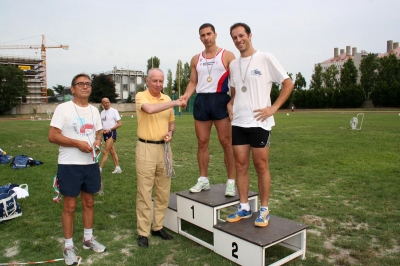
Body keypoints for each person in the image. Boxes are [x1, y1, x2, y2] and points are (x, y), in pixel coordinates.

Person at [226, 23, 294, 227]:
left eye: (241, 36)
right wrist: (230, 102)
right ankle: (244, 207)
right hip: (238, 122)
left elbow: (288, 83)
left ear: (249, 35)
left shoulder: (265, 58)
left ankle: (264, 209)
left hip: (260, 122)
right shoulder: (233, 65)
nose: (238, 40)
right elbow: (236, 90)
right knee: (240, 165)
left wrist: (273, 108)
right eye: (234, 37)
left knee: (261, 165)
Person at [48, 73, 106, 265]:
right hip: (69, 164)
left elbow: (98, 132)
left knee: (89, 203)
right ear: (72, 89)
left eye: (88, 84)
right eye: (80, 84)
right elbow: (53, 136)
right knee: (70, 206)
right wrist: (76, 143)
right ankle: (68, 246)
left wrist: (97, 141)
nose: (85, 87)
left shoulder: (94, 111)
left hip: (90, 165)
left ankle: (88, 239)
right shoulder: (63, 108)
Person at [180, 23, 236, 196]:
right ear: (200, 38)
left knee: (226, 142)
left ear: (215, 34)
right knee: (202, 142)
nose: (206, 37)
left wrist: (232, 101)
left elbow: (235, 81)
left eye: (209, 34)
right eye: (203, 35)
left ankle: (231, 182)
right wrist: (186, 96)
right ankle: (203, 179)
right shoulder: (196, 59)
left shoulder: (227, 55)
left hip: (220, 99)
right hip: (202, 99)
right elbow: (193, 82)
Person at [135, 68, 185, 248]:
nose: (158, 84)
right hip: (146, 148)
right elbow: (149, 110)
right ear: (147, 81)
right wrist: (174, 102)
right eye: (154, 81)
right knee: (145, 192)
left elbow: (171, 123)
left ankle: (157, 227)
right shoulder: (141, 96)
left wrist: (170, 132)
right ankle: (143, 232)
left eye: (161, 81)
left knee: (163, 191)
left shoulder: (167, 100)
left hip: (164, 150)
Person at [99, 97, 122, 174]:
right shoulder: (102, 113)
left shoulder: (114, 111)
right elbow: (101, 124)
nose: (107, 104)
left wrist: (110, 129)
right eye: (105, 103)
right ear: (102, 104)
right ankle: (118, 168)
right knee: (112, 151)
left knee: (105, 151)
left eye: (108, 102)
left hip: (111, 133)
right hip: (105, 134)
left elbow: (119, 124)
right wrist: (102, 130)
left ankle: (100, 168)